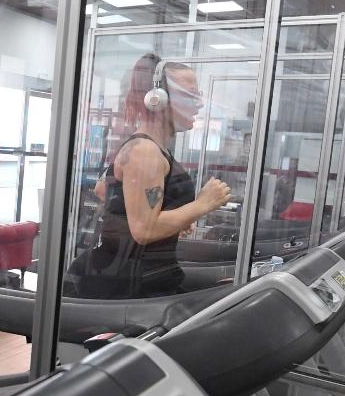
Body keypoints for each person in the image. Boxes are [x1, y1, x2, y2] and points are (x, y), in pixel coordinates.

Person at [66, 53, 232, 299]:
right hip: (128, 284)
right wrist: (202, 204)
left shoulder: (150, 146)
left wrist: (171, 218)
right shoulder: (146, 152)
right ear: (158, 99)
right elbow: (144, 230)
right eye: (190, 95)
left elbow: (104, 189)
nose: (199, 103)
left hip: (144, 273)